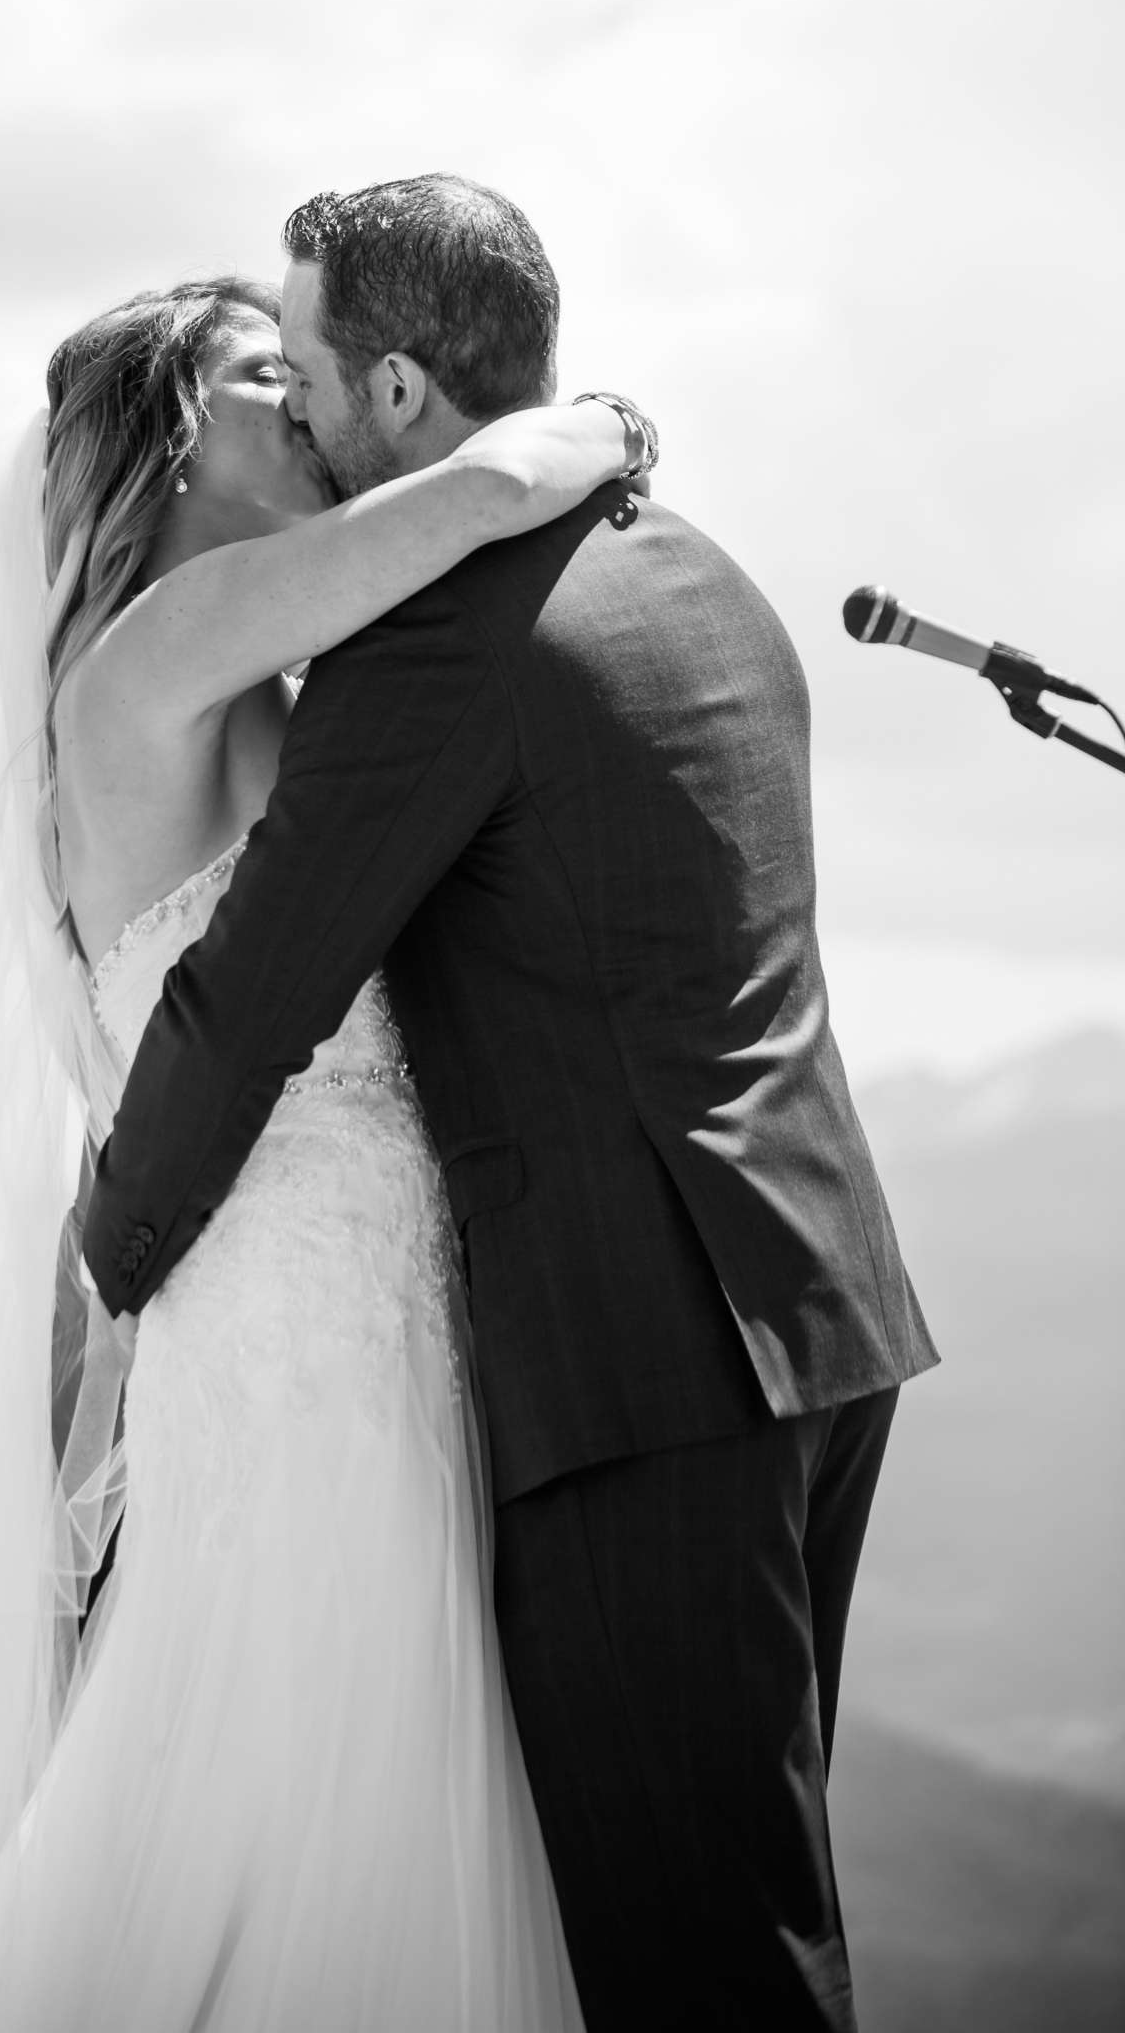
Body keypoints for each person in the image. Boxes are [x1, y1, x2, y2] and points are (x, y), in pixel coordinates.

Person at [0, 262, 648, 2031]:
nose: (305, 397)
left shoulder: (256, 685)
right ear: (163, 447)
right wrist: (593, 433)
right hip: (303, 1364)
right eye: (258, 378)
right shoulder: (143, 667)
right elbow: (492, 495)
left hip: (379, 1335)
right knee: (299, 1811)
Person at [83, 175, 941, 2032]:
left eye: (307, 370)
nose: (299, 410)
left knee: (701, 1970)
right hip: (825, 1322)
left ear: (394, 395)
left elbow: (254, 1002)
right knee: (761, 1909)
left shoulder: (435, 647)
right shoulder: (692, 568)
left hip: (643, 1368)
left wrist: (114, 1257)